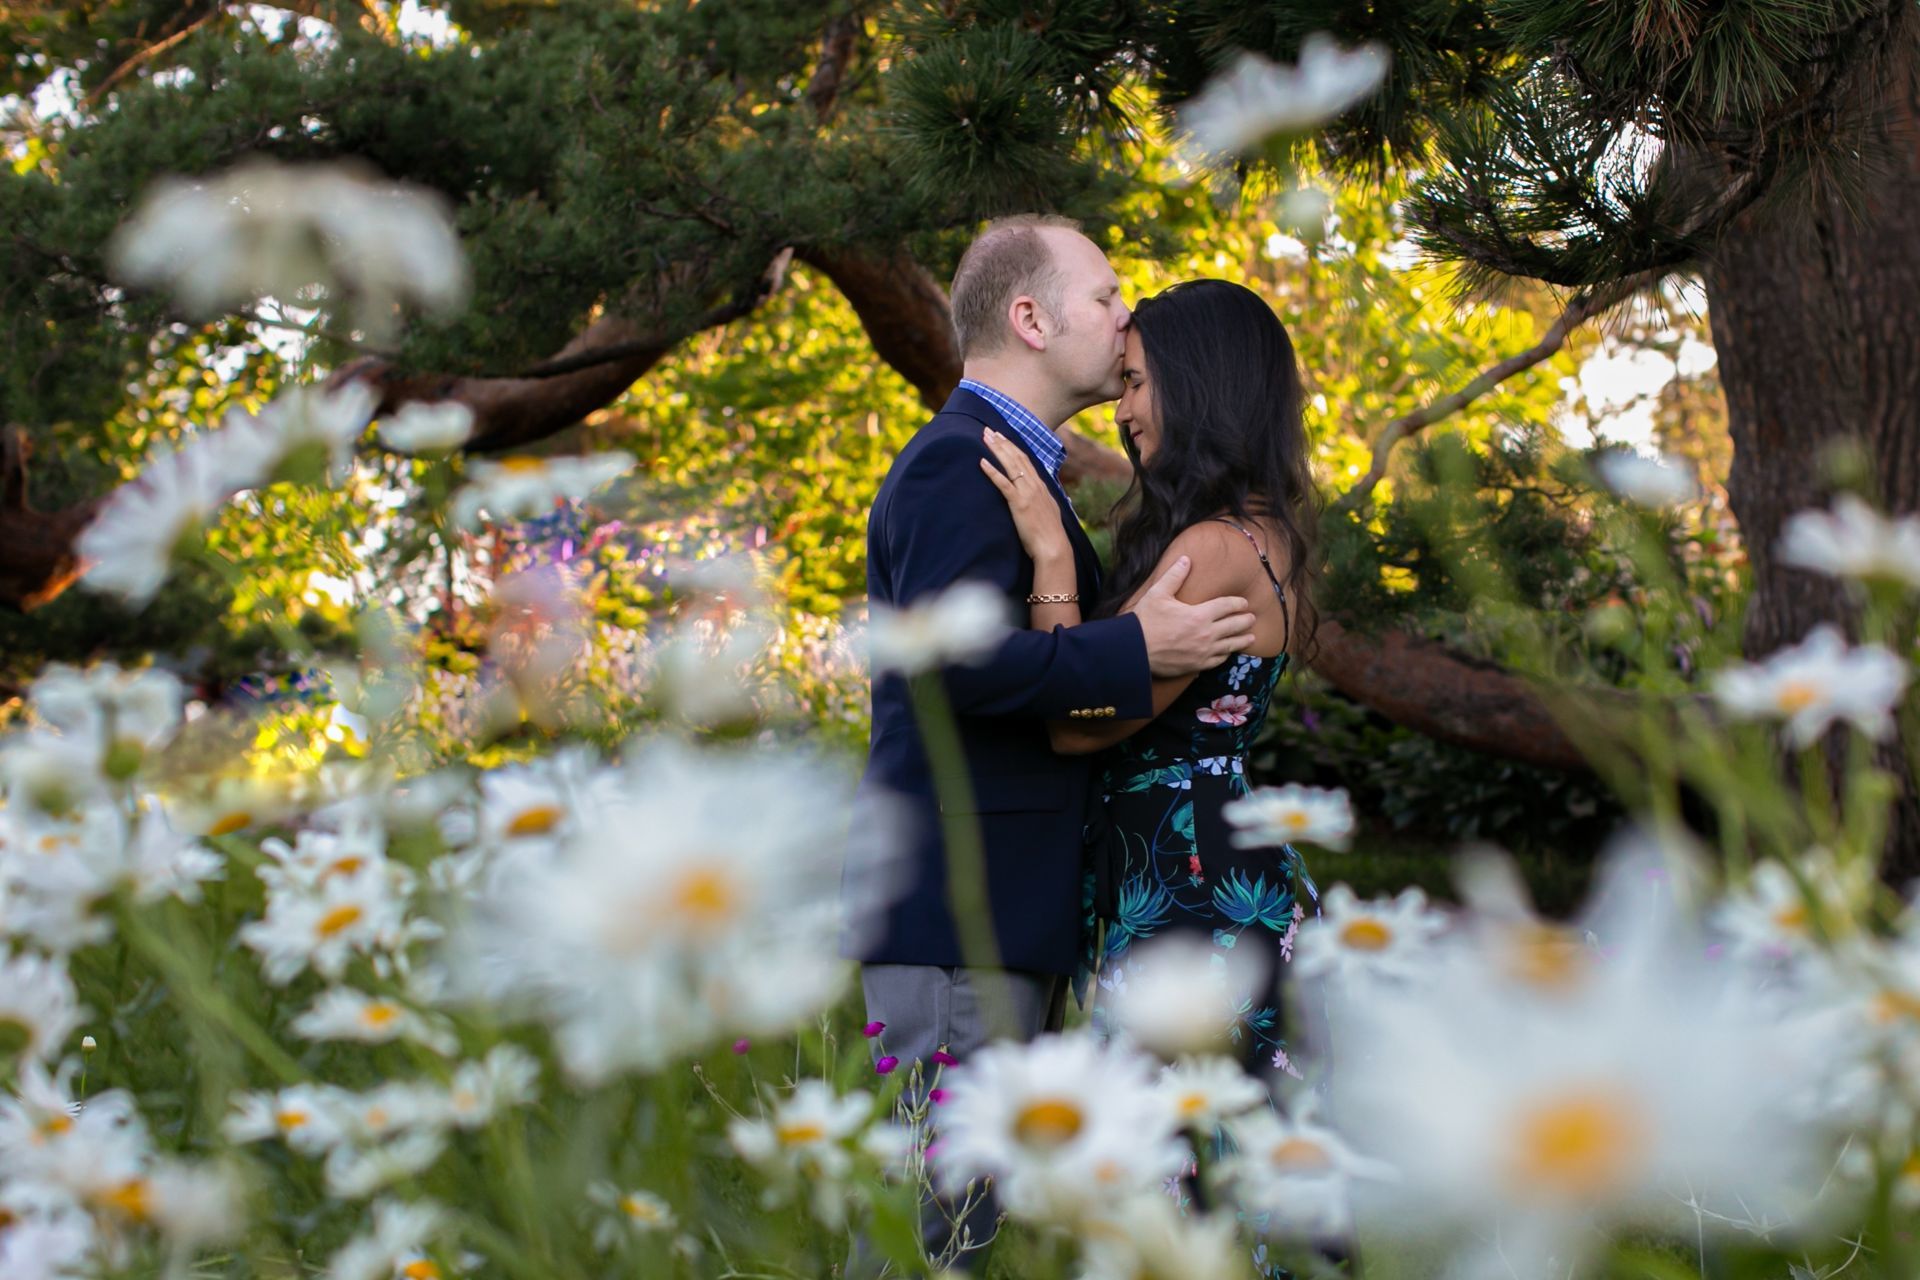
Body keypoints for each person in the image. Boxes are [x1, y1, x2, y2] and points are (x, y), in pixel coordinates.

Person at [844, 218, 1259, 1268]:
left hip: (999, 914)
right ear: (1030, 318)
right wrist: (1137, 647)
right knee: (923, 1236)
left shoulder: (1018, 468)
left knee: (959, 1228)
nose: (1128, 315)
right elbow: (961, 665)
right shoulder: (956, 466)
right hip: (957, 915)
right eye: (1107, 294)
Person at [980, 277, 1320, 1077]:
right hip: (1209, 860)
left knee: (1169, 1155)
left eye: (1135, 382)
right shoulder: (1265, 531)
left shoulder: (1213, 547)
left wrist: (1053, 557)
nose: (1122, 411)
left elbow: (1073, 721)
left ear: (1200, 381)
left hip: (1189, 882)